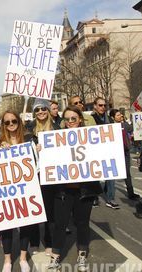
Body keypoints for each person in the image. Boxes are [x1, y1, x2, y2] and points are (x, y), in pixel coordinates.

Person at [48, 106, 103, 272]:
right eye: (67, 119)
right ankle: (55, 256)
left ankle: (82, 255)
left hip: (84, 190)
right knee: (60, 224)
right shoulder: (56, 138)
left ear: (80, 119)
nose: (70, 122)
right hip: (63, 191)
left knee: (82, 223)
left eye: (73, 118)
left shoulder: (91, 138)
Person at [0, 111, 32, 272]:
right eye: (7, 122)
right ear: (3, 125)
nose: (10, 124)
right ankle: (7, 260)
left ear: (19, 121)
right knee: (7, 226)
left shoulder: (28, 139)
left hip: (25, 189)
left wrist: (36, 150)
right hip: (6, 192)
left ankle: (23, 258)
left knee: (25, 225)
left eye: (14, 121)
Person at [26, 98, 60, 255]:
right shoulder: (28, 129)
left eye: (43, 109)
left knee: (49, 211)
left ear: (48, 110)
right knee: (33, 209)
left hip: (51, 175)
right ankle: (34, 240)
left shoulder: (57, 128)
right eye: (37, 110)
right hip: (33, 175)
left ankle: (49, 241)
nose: (40, 112)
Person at [91, 97, 119, 209]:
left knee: (111, 175)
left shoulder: (110, 120)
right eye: (100, 105)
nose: (103, 107)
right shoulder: (92, 119)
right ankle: (94, 196)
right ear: (95, 106)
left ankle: (110, 198)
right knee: (95, 176)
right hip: (95, 151)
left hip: (108, 151)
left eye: (104, 105)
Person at [109, 109, 140, 200]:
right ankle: (108, 191)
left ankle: (131, 193)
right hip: (115, 153)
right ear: (112, 117)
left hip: (125, 152)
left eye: (120, 115)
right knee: (112, 174)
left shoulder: (124, 124)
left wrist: (136, 117)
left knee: (127, 173)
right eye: (118, 115)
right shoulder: (109, 127)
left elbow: (133, 127)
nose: (120, 116)